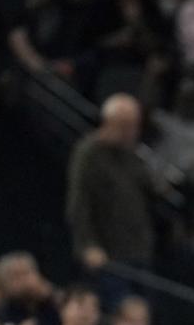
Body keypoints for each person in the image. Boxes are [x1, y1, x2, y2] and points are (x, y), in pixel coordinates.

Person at [66, 94, 155, 274]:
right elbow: (79, 202)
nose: (132, 132)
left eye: (134, 126)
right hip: (106, 251)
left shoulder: (134, 153)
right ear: (109, 123)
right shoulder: (89, 153)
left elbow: (148, 190)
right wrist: (88, 245)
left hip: (138, 248)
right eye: (125, 126)